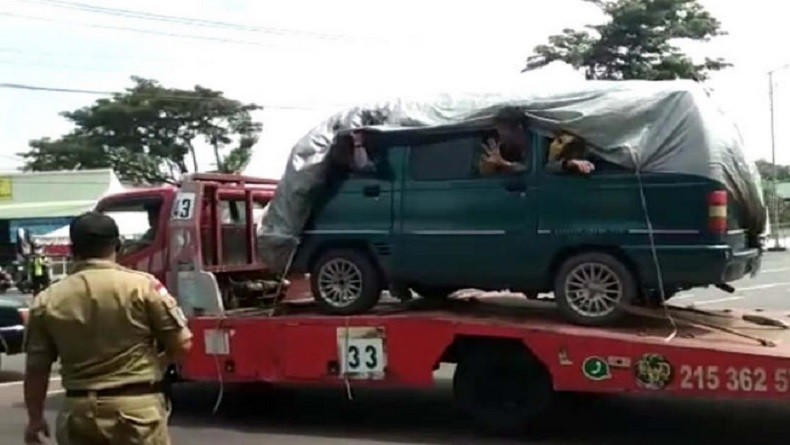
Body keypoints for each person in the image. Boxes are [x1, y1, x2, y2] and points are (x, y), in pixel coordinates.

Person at [23, 211, 193, 445]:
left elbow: (36, 369)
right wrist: (158, 364)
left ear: (73, 250)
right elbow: (183, 343)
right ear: (119, 246)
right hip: (137, 410)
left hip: (78, 413)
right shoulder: (144, 287)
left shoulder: (46, 299)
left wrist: (35, 419)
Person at [479, 106, 531, 175]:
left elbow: (530, 171)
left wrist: (502, 163)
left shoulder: (535, 144)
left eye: (505, 135)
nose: (502, 139)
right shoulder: (504, 149)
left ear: (519, 128)